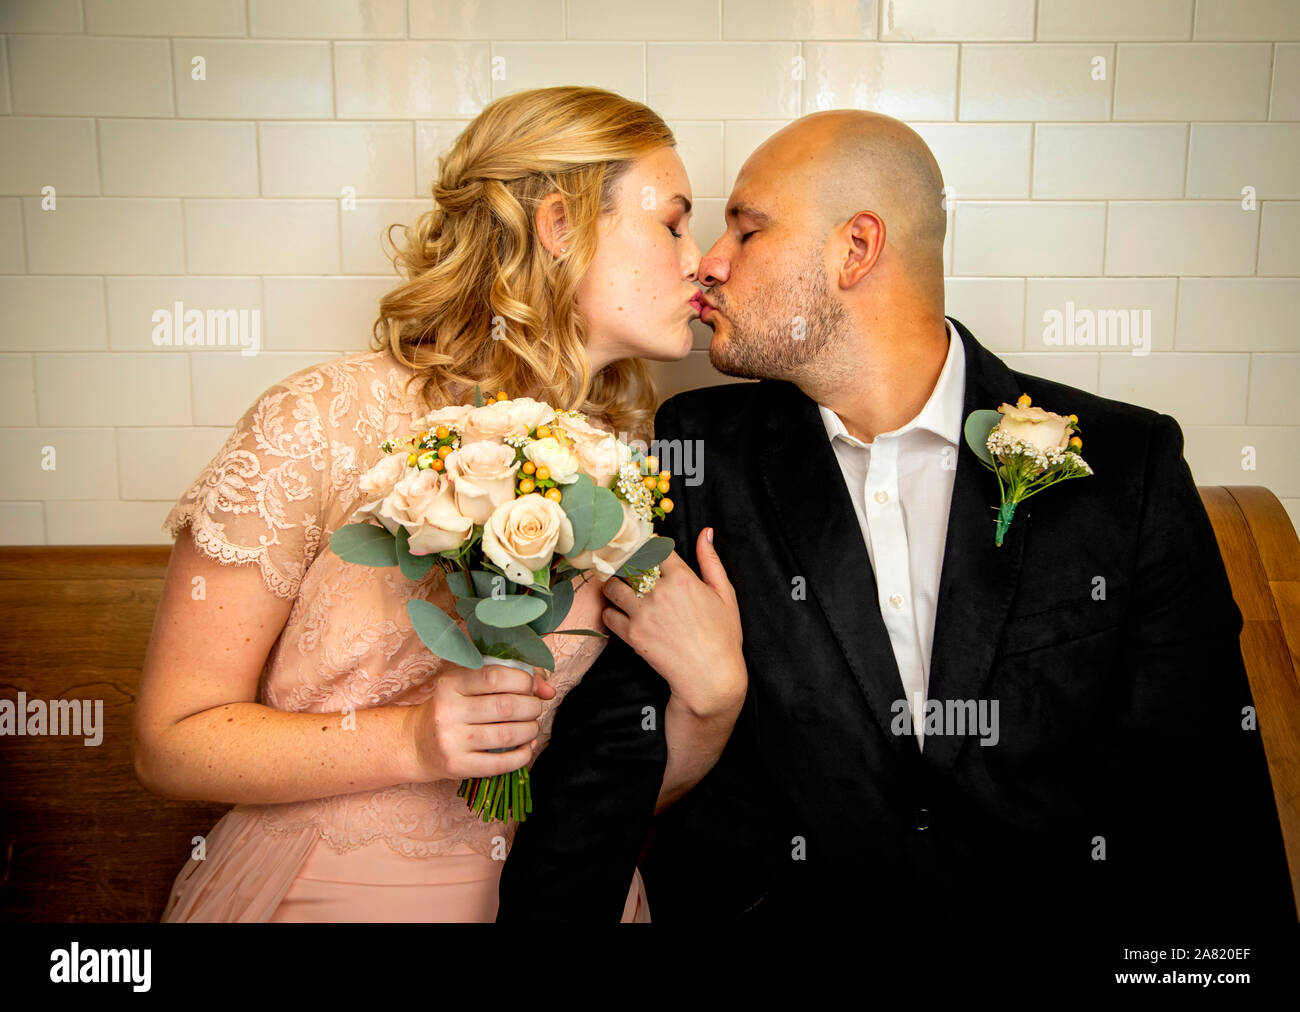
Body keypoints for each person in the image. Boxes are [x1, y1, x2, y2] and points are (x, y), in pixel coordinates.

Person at [498, 109, 1295, 922]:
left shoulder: (1126, 464)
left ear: (857, 249)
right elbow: (609, 759)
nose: (708, 263)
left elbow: (1203, 795)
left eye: (746, 228)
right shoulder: (694, 451)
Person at [134, 86, 743, 922]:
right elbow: (171, 742)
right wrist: (412, 741)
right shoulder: (319, 420)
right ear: (562, 228)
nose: (700, 258)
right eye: (673, 222)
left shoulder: (629, 467)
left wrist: (715, 701)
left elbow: (611, 791)